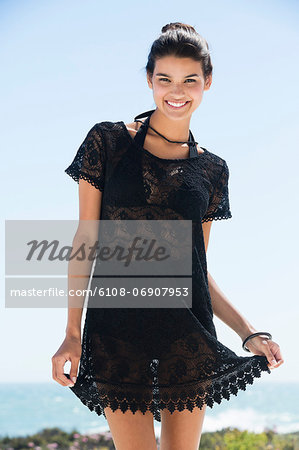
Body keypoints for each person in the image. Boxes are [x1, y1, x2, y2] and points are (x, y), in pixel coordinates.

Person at [52, 22, 284, 450]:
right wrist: (72, 332)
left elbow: (198, 268)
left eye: (190, 80)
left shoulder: (212, 170)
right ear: (149, 80)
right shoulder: (108, 143)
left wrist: (248, 332)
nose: (177, 91)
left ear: (207, 83)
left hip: (186, 334)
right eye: (165, 79)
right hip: (116, 328)